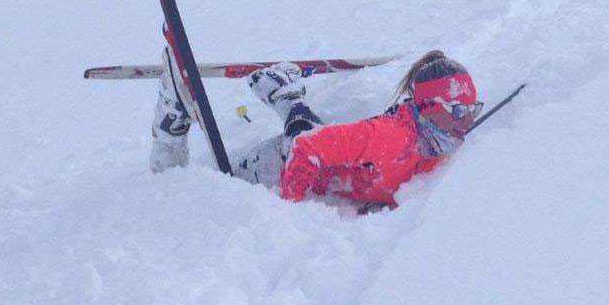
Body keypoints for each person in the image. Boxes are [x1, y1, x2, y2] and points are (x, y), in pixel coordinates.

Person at [150, 50, 482, 208]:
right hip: (280, 166)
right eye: (457, 113)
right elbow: (307, 149)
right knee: (193, 192)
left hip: (329, 161)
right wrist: (290, 209)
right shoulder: (390, 139)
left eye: (470, 114)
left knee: (313, 132)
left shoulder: (434, 142)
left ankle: (283, 91)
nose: (464, 126)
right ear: (425, 109)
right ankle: (170, 119)